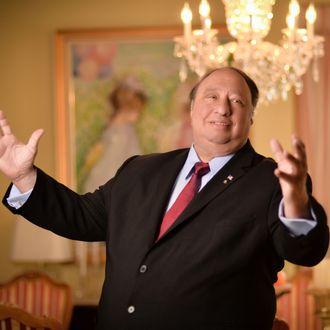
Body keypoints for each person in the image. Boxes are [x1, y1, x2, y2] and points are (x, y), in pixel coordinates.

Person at [0, 67, 328, 330]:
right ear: (193, 107)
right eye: (211, 96)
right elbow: (81, 217)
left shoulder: (273, 181)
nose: (223, 108)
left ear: (251, 116)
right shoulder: (139, 170)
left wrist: (297, 199)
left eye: (237, 101)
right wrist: (23, 177)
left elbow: (305, 251)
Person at [83, 76, 147, 192]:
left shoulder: (124, 129)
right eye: (137, 111)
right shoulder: (121, 131)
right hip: (114, 171)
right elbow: (116, 158)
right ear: (125, 108)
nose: (138, 116)